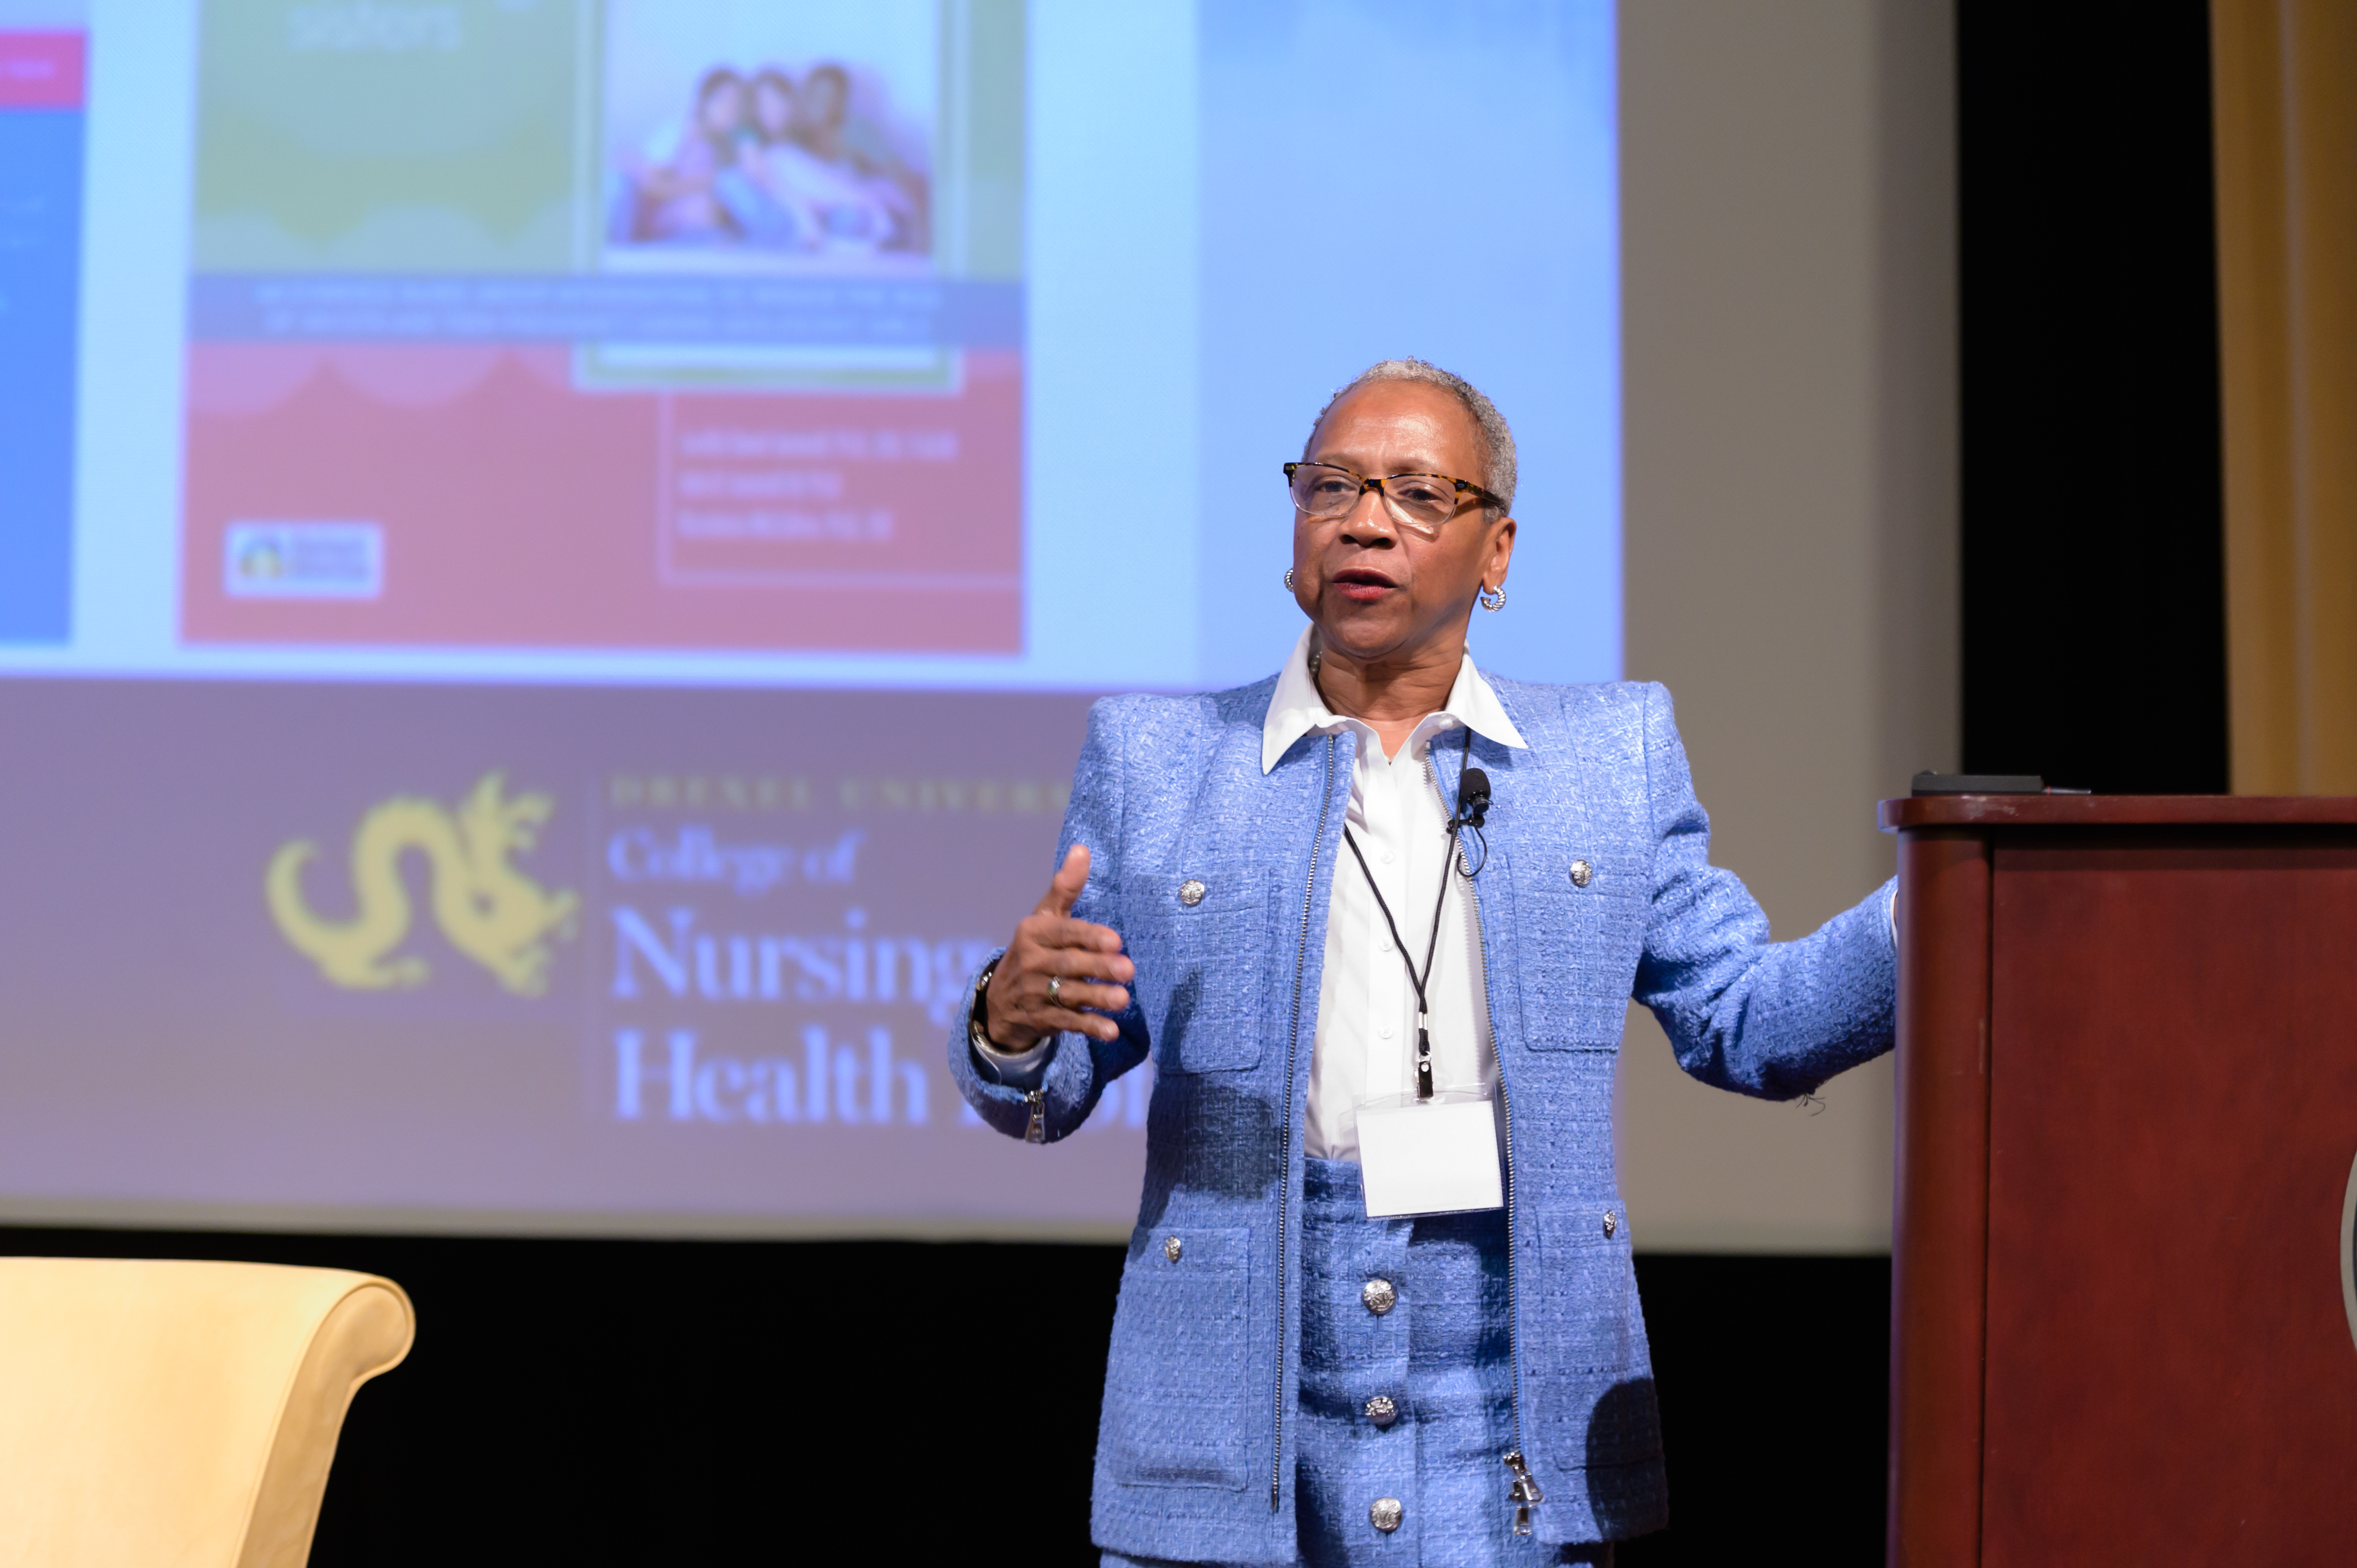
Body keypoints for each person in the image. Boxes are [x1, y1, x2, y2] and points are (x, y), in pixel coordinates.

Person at [950, 359, 1898, 1566]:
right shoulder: (1159, 761)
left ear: (1495, 552)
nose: (1363, 520)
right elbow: (1050, 1096)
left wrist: (1949, 904)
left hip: (1510, 1390)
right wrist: (1010, 1020)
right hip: (1232, 1393)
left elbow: (1749, 1022)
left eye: (1414, 492)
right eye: (1331, 486)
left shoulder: (1610, 758)